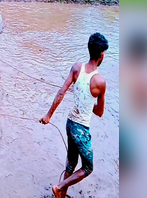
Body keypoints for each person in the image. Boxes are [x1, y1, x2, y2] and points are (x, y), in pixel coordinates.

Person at [39, 33, 108, 198]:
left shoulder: (77, 67)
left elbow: (62, 91)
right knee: (88, 168)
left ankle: (61, 195)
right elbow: (99, 112)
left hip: (70, 122)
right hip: (81, 128)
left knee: (71, 162)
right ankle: (59, 187)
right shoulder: (100, 81)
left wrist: (49, 115)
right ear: (101, 56)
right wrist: (91, 103)